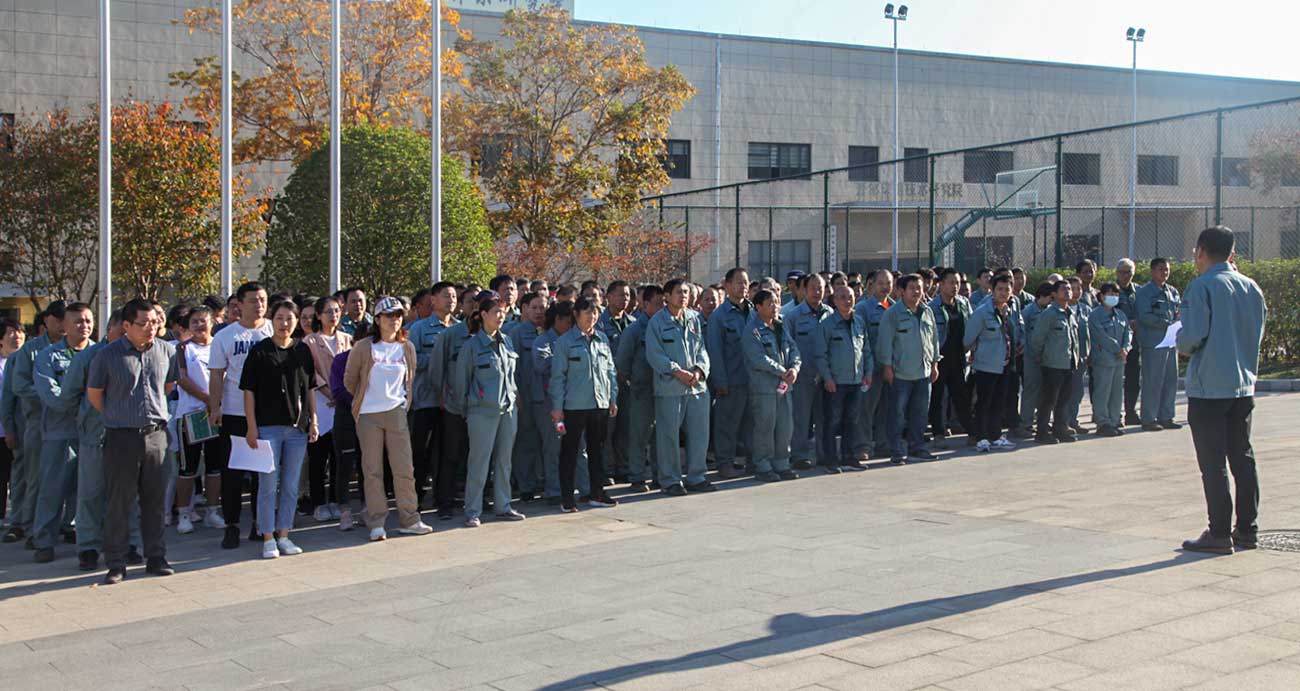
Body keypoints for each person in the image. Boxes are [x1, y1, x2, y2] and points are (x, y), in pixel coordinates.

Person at [1176, 226, 1267, 555]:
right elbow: (1257, 333)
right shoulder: (1251, 287)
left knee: (1213, 463)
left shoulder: (1201, 286)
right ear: (1232, 253)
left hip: (1209, 388)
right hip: (1242, 386)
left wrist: (1181, 342)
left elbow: (1191, 337)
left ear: (1200, 251)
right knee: (1243, 458)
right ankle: (1247, 530)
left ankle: (1218, 533)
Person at [87, 299, 179, 584]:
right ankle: (116, 562)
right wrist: (118, 415)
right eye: (143, 323)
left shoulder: (167, 351)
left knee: (155, 500)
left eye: (154, 322)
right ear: (126, 325)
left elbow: (168, 386)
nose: (151, 328)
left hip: (157, 435)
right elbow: (95, 395)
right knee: (119, 502)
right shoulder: (107, 355)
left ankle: (156, 556)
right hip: (121, 437)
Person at [343, 297, 432, 541]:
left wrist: (402, 403)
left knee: (404, 468)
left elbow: (409, 379)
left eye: (398, 315)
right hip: (368, 415)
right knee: (372, 470)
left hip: (396, 412)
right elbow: (350, 380)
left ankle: (409, 519)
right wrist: (365, 399)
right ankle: (377, 521)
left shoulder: (407, 347)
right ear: (378, 319)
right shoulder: (364, 347)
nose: (394, 320)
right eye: (389, 315)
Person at [240, 301, 319, 558]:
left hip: (297, 429)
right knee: (267, 485)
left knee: (291, 485)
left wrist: (314, 420)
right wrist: (251, 427)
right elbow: (248, 391)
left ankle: (284, 534)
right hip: (268, 427)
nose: (285, 323)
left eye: (289, 318)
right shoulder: (259, 351)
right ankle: (267, 537)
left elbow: (310, 388)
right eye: (279, 318)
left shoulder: (303, 350)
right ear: (271, 320)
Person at [208, 282, 273, 549]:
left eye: (263, 299)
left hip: (267, 413)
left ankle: (260, 523)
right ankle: (232, 525)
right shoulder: (225, 336)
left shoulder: (273, 330)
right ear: (240, 305)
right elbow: (216, 374)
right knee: (232, 472)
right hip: (235, 412)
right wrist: (215, 407)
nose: (259, 305)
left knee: (262, 472)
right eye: (253, 300)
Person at [453, 291, 526, 527]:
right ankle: (473, 509)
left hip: (508, 410)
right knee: (479, 462)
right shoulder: (472, 346)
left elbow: (512, 376)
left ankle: (503, 506)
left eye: (502, 313)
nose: (500, 317)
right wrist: (467, 409)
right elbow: (462, 382)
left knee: (504, 461)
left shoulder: (507, 341)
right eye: (496, 312)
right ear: (483, 314)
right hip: (481, 412)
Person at [31, 303, 96, 562]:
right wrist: (84, 407)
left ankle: (82, 535)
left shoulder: (99, 353)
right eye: (78, 321)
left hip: (92, 432)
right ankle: (44, 540)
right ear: (64, 326)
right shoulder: (48, 356)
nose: (84, 326)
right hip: (60, 431)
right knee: (53, 488)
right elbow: (51, 394)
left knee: (88, 489)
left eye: (88, 320)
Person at [550, 296, 619, 512]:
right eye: (588, 312)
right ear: (576, 315)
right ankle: (567, 497)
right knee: (570, 452)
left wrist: (612, 398)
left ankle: (597, 492)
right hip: (573, 406)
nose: (593, 317)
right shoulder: (565, 342)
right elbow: (558, 377)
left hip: (599, 403)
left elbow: (610, 372)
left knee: (597, 451)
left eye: (595, 312)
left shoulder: (601, 339)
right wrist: (557, 407)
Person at [645, 278, 714, 496]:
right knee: (669, 436)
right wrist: (677, 371)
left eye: (686, 292)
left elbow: (702, 349)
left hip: (696, 387)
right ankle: (671, 480)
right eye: (678, 292)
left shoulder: (694, 318)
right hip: (670, 388)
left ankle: (697, 477)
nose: (683, 296)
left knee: (699, 434)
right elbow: (654, 354)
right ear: (666, 296)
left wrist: (699, 370)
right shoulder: (657, 322)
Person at [5, 302, 65, 547]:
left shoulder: (79, 349)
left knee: (67, 478)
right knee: (32, 477)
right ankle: (26, 525)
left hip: (67, 424)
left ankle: (64, 524)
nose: (62, 323)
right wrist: (52, 396)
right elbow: (16, 389)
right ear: (46, 320)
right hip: (35, 423)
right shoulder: (29, 351)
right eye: (58, 318)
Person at [877, 274, 941, 464]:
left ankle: (917, 447)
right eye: (912, 288)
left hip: (923, 372)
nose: (916, 291)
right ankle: (896, 450)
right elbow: (885, 343)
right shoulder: (892, 314)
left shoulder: (927, 311)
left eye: (919, 288)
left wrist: (934, 363)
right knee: (897, 414)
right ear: (901, 291)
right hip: (900, 373)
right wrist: (887, 367)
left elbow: (934, 339)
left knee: (920, 413)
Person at [173, 307, 226, 534]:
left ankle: (212, 511)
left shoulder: (220, 345)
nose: (198, 326)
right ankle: (184, 513)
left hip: (217, 413)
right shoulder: (183, 348)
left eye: (203, 321)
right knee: (188, 467)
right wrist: (208, 399)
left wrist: (216, 403)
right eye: (194, 322)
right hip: (191, 414)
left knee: (214, 466)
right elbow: (181, 378)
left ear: (212, 322)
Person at [741, 289, 800, 482]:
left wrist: (794, 369)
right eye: (770, 303)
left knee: (785, 427)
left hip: (785, 387)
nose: (775, 306)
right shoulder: (752, 331)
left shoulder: (781, 326)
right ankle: (763, 465)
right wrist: (782, 371)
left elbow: (794, 349)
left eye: (776, 302)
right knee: (765, 428)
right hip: (764, 389)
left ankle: (782, 463)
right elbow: (758, 359)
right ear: (758, 307)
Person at [405, 282, 455, 510]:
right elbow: (411, 360)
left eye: (453, 296)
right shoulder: (419, 328)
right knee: (420, 453)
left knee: (447, 452)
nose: (451, 300)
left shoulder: (460, 328)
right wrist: (439, 359)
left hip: (452, 401)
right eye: (446, 295)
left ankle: (444, 500)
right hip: (426, 400)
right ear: (433, 300)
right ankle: (414, 498)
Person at [302, 296, 352, 522]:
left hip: (342, 401)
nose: (333, 315)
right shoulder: (310, 341)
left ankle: (336, 500)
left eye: (336, 311)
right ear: (319, 316)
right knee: (318, 456)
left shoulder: (347, 339)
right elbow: (309, 371)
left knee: (339, 456)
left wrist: (341, 392)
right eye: (328, 312)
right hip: (320, 402)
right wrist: (327, 391)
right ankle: (319, 502)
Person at [814, 285, 870, 473]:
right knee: (832, 422)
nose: (848, 301)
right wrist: (827, 378)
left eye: (851, 297)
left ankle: (849, 457)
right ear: (835, 301)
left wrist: (868, 373)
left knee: (852, 421)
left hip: (856, 381)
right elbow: (820, 355)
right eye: (843, 297)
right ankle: (831, 460)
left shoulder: (859, 322)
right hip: (835, 383)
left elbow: (866, 351)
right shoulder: (827, 325)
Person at [705, 268, 754, 479]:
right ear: (727, 285)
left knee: (752, 425)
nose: (743, 286)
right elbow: (715, 351)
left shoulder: (754, 311)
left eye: (746, 282)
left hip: (754, 380)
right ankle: (724, 463)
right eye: (739, 282)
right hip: (731, 381)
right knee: (726, 425)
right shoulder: (719, 316)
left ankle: (753, 462)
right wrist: (720, 381)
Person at [964, 275, 1021, 452]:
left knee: (998, 402)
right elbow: (968, 339)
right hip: (985, 366)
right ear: (992, 290)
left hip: (1004, 364)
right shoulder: (982, 312)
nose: (1003, 293)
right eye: (1000, 289)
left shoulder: (1008, 311)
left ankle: (995, 435)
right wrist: (977, 352)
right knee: (983, 402)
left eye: (1007, 289)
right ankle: (981, 437)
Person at [615, 284, 663, 493]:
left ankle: (660, 476)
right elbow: (622, 363)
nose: (662, 307)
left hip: (664, 389)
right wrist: (632, 383)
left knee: (661, 436)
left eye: (664, 303)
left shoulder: (665, 326)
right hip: (641, 391)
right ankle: (637, 477)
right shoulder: (634, 330)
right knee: (639, 436)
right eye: (657, 303)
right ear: (645, 304)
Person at [788, 273, 832, 470]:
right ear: (804, 290)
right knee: (801, 418)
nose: (816, 292)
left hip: (826, 376)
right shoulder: (793, 316)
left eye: (820, 288)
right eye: (812, 288)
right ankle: (799, 455)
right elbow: (788, 346)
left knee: (825, 417)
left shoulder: (830, 313)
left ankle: (824, 454)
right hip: (803, 376)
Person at [927, 268, 974, 443]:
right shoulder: (933, 307)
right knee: (938, 397)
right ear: (941, 284)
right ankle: (938, 433)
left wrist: (971, 348)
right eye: (951, 282)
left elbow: (971, 326)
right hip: (940, 358)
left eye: (958, 283)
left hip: (959, 357)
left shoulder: (963, 304)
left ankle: (972, 432)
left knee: (961, 395)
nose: (955, 287)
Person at [1031, 281, 1081, 445]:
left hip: (1069, 363)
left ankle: (1060, 429)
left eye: (1069, 289)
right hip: (1052, 363)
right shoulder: (1049, 314)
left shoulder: (1070, 313)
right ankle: (1042, 432)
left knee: (1064, 399)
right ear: (1053, 294)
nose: (1067, 291)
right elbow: (1038, 338)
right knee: (1049, 400)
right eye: (1063, 289)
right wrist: (1040, 356)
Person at [508, 291, 547, 500]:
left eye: (542, 307)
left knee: (546, 442)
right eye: (534, 307)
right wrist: (516, 394)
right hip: (526, 395)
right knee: (526, 442)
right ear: (524, 309)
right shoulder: (517, 333)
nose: (539, 312)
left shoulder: (550, 332)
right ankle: (526, 486)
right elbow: (511, 368)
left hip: (547, 397)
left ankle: (544, 480)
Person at [1136, 258, 1181, 432]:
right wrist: (1167, 323)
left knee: (1171, 380)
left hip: (1170, 342)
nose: (1165, 272)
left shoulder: (1172, 291)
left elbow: (1178, 311)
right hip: (1154, 342)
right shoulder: (1144, 292)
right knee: (1152, 381)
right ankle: (1149, 418)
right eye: (1161, 269)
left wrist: (1178, 323)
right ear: (1152, 271)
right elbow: (1145, 316)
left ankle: (1166, 416)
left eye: (1167, 269)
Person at [597, 281, 635, 482]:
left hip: (628, 384)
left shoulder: (633, 323)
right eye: (620, 295)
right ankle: (605, 469)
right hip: (606, 385)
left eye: (627, 295)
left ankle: (624, 467)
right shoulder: (599, 323)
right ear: (609, 297)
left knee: (626, 428)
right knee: (606, 430)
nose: (624, 299)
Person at [854, 270, 893, 459]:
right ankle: (863, 445)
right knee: (866, 409)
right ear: (872, 284)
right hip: (871, 369)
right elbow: (861, 341)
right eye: (881, 283)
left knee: (887, 408)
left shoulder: (895, 308)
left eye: (888, 283)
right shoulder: (863, 309)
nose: (885, 287)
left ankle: (883, 443)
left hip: (891, 368)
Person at [1088, 283, 1131, 437]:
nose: (1113, 297)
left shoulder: (1121, 315)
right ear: (1101, 296)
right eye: (1110, 294)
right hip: (1104, 359)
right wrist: (1117, 349)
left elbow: (1128, 333)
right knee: (1102, 391)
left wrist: (1126, 348)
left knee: (1116, 392)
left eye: (1116, 294)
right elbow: (1100, 336)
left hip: (1120, 359)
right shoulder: (1095, 315)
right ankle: (1102, 422)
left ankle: (1114, 421)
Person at [1017, 282, 1056, 438]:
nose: (1051, 301)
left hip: (1047, 356)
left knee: (1045, 391)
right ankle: (1025, 423)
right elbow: (1022, 333)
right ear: (1042, 296)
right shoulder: (1028, 312)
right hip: (1031, 357)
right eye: (1050, 298)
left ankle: (1042, 421)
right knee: (1031, 390)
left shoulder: (1049, 311)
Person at [0, 320, 26, 527]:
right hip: (3, 430)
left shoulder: (29, 361)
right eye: (11, 333)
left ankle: (21, 517)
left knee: (19, 475)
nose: (16, 336)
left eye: (19, 332)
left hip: (22, 429)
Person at [1115, 258, 1142, 425]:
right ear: (1117, 273)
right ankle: (1114, 414)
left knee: (1133, 379)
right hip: (1116, 341)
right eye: (1122, 272)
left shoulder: (1139, 291)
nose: (1125, 276)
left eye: (1129, 272)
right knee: (1115, 381)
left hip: (1134, 342)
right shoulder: (1111, 290)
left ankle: (1130, 412)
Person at [1064, 276, 1092, 435]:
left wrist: (1089, 354)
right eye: (1072, 288)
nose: (1075, 292)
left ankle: (1073, 421)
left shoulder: (1086, 309)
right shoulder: (1060, 308)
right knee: (1064, 392)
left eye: (1078, 288)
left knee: (1077, 392)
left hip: (1081, 357)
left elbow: (1091, 334)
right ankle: (1063, 422)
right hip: (1064, 358)